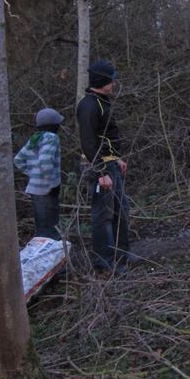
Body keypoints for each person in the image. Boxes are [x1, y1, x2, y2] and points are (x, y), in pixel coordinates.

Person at [77, 59, 134, 272]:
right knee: (103, 215)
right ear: (101, 80)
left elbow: (105, 137)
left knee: (121, 210)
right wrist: (101, 171)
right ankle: (105, 262)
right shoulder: (89, 106)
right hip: (99, 168)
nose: (114, 85)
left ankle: (122, 256)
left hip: (110, 165)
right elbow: (89, 142)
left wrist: (116, 159)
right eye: (111, 81)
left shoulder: (102, 102)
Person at [14, 108, 65, 240]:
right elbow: (45, 161)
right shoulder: (52, 138)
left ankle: (41, 253)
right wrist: (51, 183)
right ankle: (52, 255)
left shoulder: (35, 138)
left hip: (35, 189)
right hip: (47, 189)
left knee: (41, 226)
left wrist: (33, 174)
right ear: (54, 125)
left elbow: (18, 160)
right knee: (51, 228)